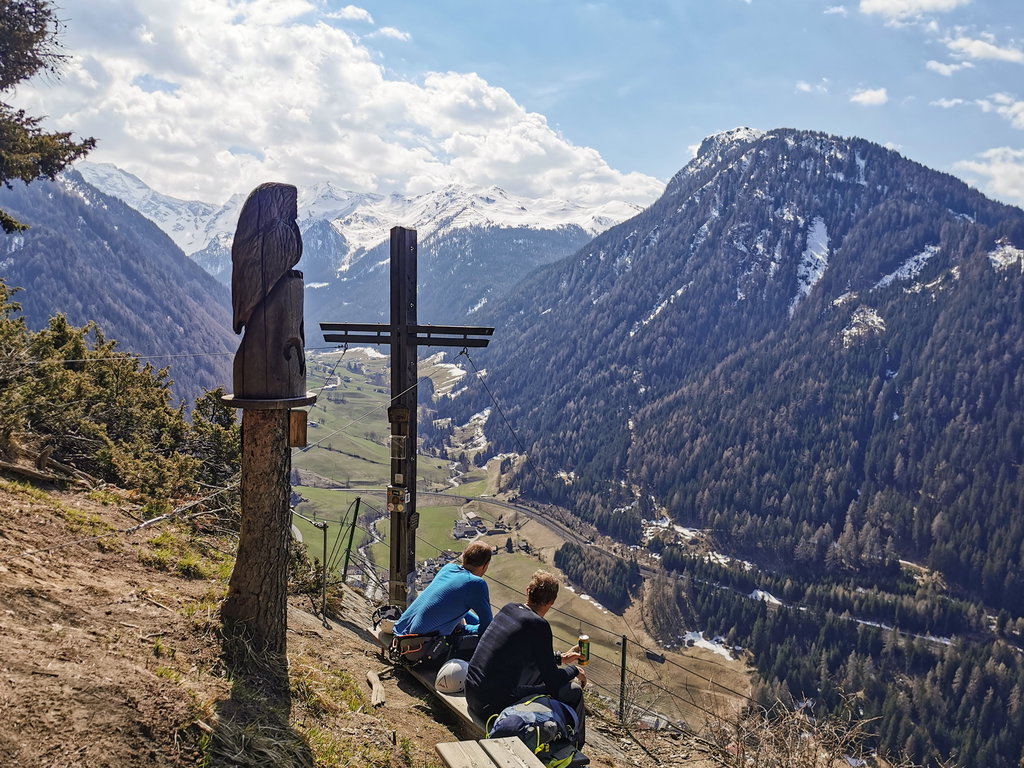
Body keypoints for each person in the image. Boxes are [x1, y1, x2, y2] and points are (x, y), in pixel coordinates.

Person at [465, 570, 587, 747]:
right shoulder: (539, 625)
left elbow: (525, 655)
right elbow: (552, 680)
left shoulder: (510, 609)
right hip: (492, 707)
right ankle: (574, 751)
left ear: (528, 590)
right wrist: (575, 670)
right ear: (551, 602)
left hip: (473, 694)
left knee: (542, 682)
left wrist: (561, 658)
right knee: (573, 690)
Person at [394, 541, 493, 637]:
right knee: (488, 637)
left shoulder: (448, 568)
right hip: (420, 642)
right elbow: (487, 626)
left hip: (400, 630)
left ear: (464, 557)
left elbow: (451, 605)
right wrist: (464, 629)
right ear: (485, 565)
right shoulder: (476, 583)